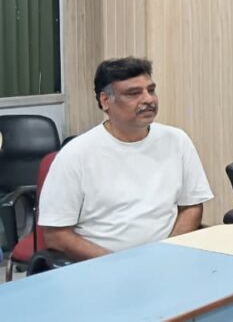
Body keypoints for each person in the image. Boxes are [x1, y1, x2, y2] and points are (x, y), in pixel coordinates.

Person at [37, 57, 214, 261]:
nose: (148, 100)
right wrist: (119, 265)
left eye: (151, 90)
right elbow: (56, 235)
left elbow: (191, 206)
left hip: (168, 260)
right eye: (133, 93)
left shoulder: (177, 140)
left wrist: (167, 253)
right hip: (102, 266)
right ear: (105, 101)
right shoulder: (75, 155)